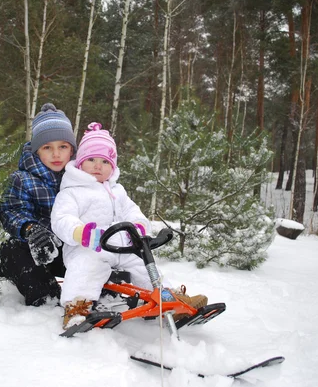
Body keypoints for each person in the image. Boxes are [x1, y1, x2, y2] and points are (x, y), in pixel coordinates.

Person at [51, 122, 208, 329]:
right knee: (86, 267)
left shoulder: (117, 191)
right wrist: (81, 233)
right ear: (80, 163)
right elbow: (61, 218)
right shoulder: (72, 192)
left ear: (113, 166)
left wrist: (139, 227)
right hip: (89, 246)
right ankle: (76, 308)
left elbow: (133, 211)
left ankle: (169, 298)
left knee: (144, 265)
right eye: (91, 160)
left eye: (105, 162)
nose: (98, 166)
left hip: (121, 246)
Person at [0, 103, 77, 307]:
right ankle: (46, 297)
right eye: (47, 147)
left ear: (72, 150)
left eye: (63, 147)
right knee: (11, 249)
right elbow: (11, 211)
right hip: (39, 251)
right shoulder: (22, 179)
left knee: (102, 258)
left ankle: (100, 292)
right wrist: (30, 229)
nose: (56, 154)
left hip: (72, 250)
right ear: (36, 150)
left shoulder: (80, 178)